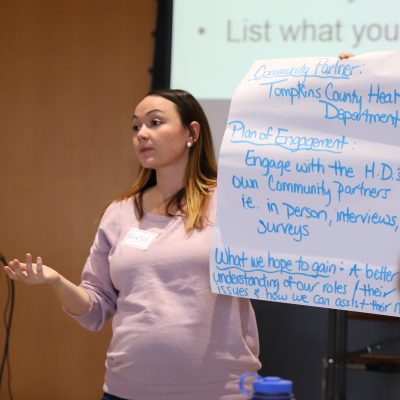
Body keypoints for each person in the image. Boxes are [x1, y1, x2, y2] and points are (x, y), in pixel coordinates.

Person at [4, 89, 261, 400]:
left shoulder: (233, 200)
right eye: (136, 126)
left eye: (155, 123)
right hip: (126, 390)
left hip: (220, 390)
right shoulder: (120, 212)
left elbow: (306, 233)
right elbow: (95, 310)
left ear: (192, 132)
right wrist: (55, 281)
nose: (142, 134)